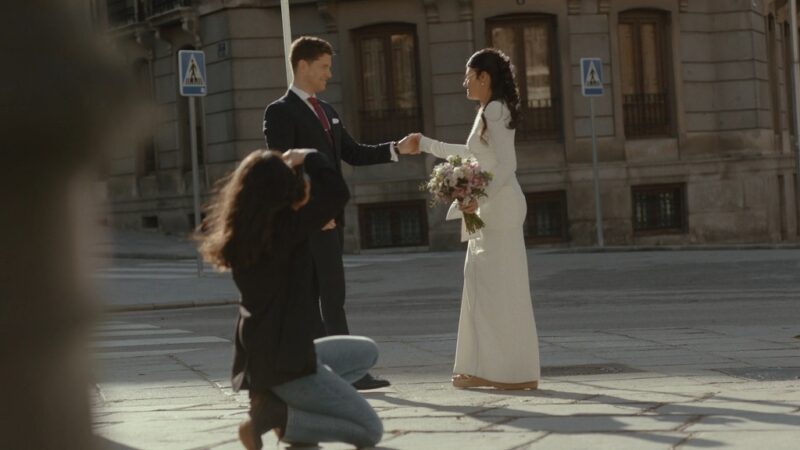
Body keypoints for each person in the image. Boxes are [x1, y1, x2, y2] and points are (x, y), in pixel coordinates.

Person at [198, 149, 383, 449]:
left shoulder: (241, 236)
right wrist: (309, 156)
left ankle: (274, 403)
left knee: (366, 353)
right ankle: (281, 416)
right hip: (288, 364)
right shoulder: (285, 230)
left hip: (265, 358)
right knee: (369, 431)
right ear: (280, 191)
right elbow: (337, 192)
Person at [263, 36, 418, 390]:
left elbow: (353, 152)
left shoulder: (327, 111)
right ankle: (346, 372)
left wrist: (397, 148)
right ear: (303, 66)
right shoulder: (280, 111)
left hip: (328, 219)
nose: (329, 75)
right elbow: (284, 166)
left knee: (331, 296)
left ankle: (327, 370)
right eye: (324, 67)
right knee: (320, 298)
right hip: (308, 221)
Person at [405, 48, 540, 389]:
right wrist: (425, 144)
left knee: (497, 291)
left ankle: (510, 373)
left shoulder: (494, 109)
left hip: (500, 210)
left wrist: (477, 198)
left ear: (484, 77)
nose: (464, 81)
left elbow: (507, 165)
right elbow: (474, 154)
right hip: (493, 209)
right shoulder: (488, 110)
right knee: (487, 289)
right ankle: (492, 368)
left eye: (468, 75)